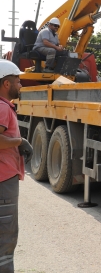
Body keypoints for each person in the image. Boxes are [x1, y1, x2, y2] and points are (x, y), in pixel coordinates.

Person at [0, 60, 33, 272]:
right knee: (6, 235)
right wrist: (20, 142)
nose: (21, 85)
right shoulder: (2, 108)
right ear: (6, 84)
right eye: (17, 80)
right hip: (4, 180)